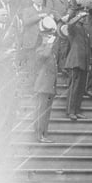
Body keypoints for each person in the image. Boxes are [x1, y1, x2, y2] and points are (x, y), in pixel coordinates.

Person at [33, 15, 59, 143]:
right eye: (47, 36)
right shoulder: (40, 50)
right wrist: (48, 44)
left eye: (50, 36)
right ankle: (39, 135)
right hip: (43, 86)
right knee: (41, 112)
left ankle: (44, 134)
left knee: (46, 113)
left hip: (49, 87)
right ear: (43, 37)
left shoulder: (50, 51)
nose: (50, 39)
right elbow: (44, 56)